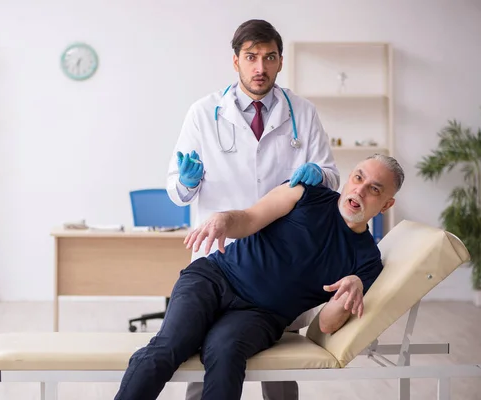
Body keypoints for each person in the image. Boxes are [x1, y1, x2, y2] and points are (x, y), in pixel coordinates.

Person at [115, 154, 404, 400]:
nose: (360, 191)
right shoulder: (305, 194)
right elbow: (250, 218)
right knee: (170, 345)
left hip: (261, 315)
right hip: (214, 278)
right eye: (357, 178)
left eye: (374, 189)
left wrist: (352, 287)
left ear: (386, 205)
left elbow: (327, 323)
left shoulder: (366, 263)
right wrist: (224, 219)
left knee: (225, 353)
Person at [165, 19, 340, 400]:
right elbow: (176, 191)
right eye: (251, 57)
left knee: (278, 359)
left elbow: (332, 179)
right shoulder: (203, 112)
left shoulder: (303, 112)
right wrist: (189, 181)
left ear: (280, 61)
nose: (260, 67)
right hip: (220, 257)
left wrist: (319, 176)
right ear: (236, 62)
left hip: (280, 261)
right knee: (208, 352)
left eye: (269, 57)